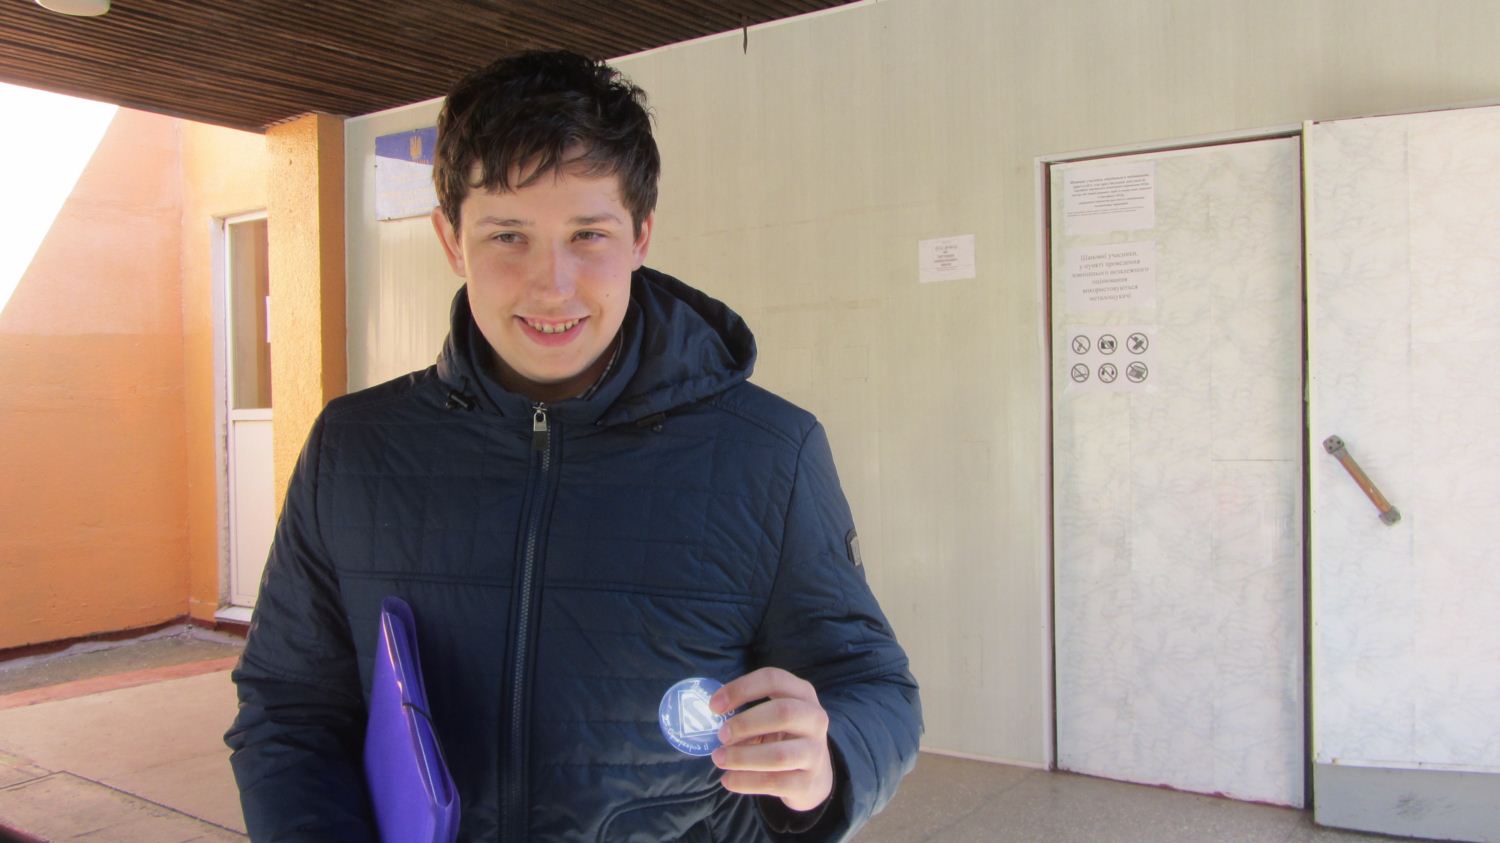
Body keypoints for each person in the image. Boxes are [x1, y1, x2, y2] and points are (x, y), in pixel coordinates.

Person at [226, 49, 921, 841]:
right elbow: (288, 707)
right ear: (451, 239)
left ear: (642, 234)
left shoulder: (769, 452)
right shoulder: (353, 450)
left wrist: (830, 756)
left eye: (588, 233)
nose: (552, 284)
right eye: (507, 236)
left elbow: (873, 685)